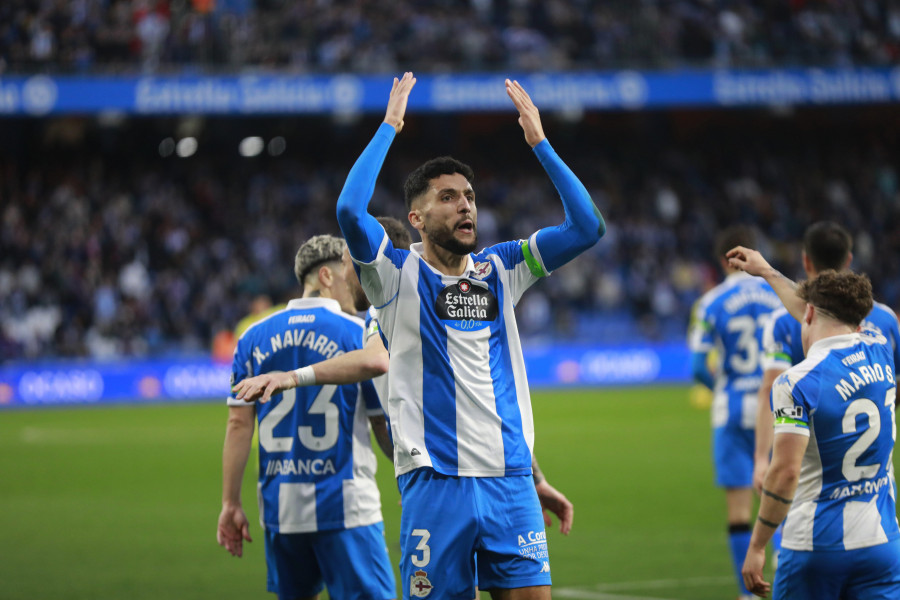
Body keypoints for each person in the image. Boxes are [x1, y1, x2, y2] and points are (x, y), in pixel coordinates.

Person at [334, 72, 603, 599]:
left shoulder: (503, 267)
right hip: (436, 483)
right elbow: (349, 209)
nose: (466, 206)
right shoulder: (391, 274)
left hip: (511, 482)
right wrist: (390, 126)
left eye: (470, 197)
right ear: (416, 217)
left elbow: (587, 228)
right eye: (449, 197)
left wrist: (541, 144)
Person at [232, 218, 575, 537]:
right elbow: (490, 404)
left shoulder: (386, 313)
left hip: (441, 480)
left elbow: (378, 374)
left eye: (352, 263)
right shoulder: (440, 310)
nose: (349, 274)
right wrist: (537, 478)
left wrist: (293, 376)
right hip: (483, 475)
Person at [217, 234, 395, 600]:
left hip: (280, 511)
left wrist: (230, 504)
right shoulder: (360, 334)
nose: (357, 285)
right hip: (348, 508)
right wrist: (412, 475)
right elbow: (381, 423)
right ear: (327, 276)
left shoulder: (252, 337)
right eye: (351, 272)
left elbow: (237, 424)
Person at [727, 247, 900, 600]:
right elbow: (821, 314)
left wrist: (758, 544)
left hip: (815, 547)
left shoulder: (796, 382)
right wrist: (768, 273)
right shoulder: (880, 347)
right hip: (883, 544)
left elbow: (785, 473)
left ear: (807, 314)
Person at [754, 222, 900, 494]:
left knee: (793, 517)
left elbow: (768, 389)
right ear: (848, 260)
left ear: (805, 259)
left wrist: (762, 458)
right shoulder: (885, 321)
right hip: (870, 465)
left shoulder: (783, 321)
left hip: (803, 452)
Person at [687, 226, 783, 600]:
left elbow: (697, 366)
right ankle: (788, 584)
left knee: (739, 511)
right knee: (782, 502)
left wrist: (722, 391)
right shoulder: (779, 294)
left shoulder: (710, 302)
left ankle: (749, 593)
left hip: (731, 411)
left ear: (720, 258)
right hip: (777, 409)